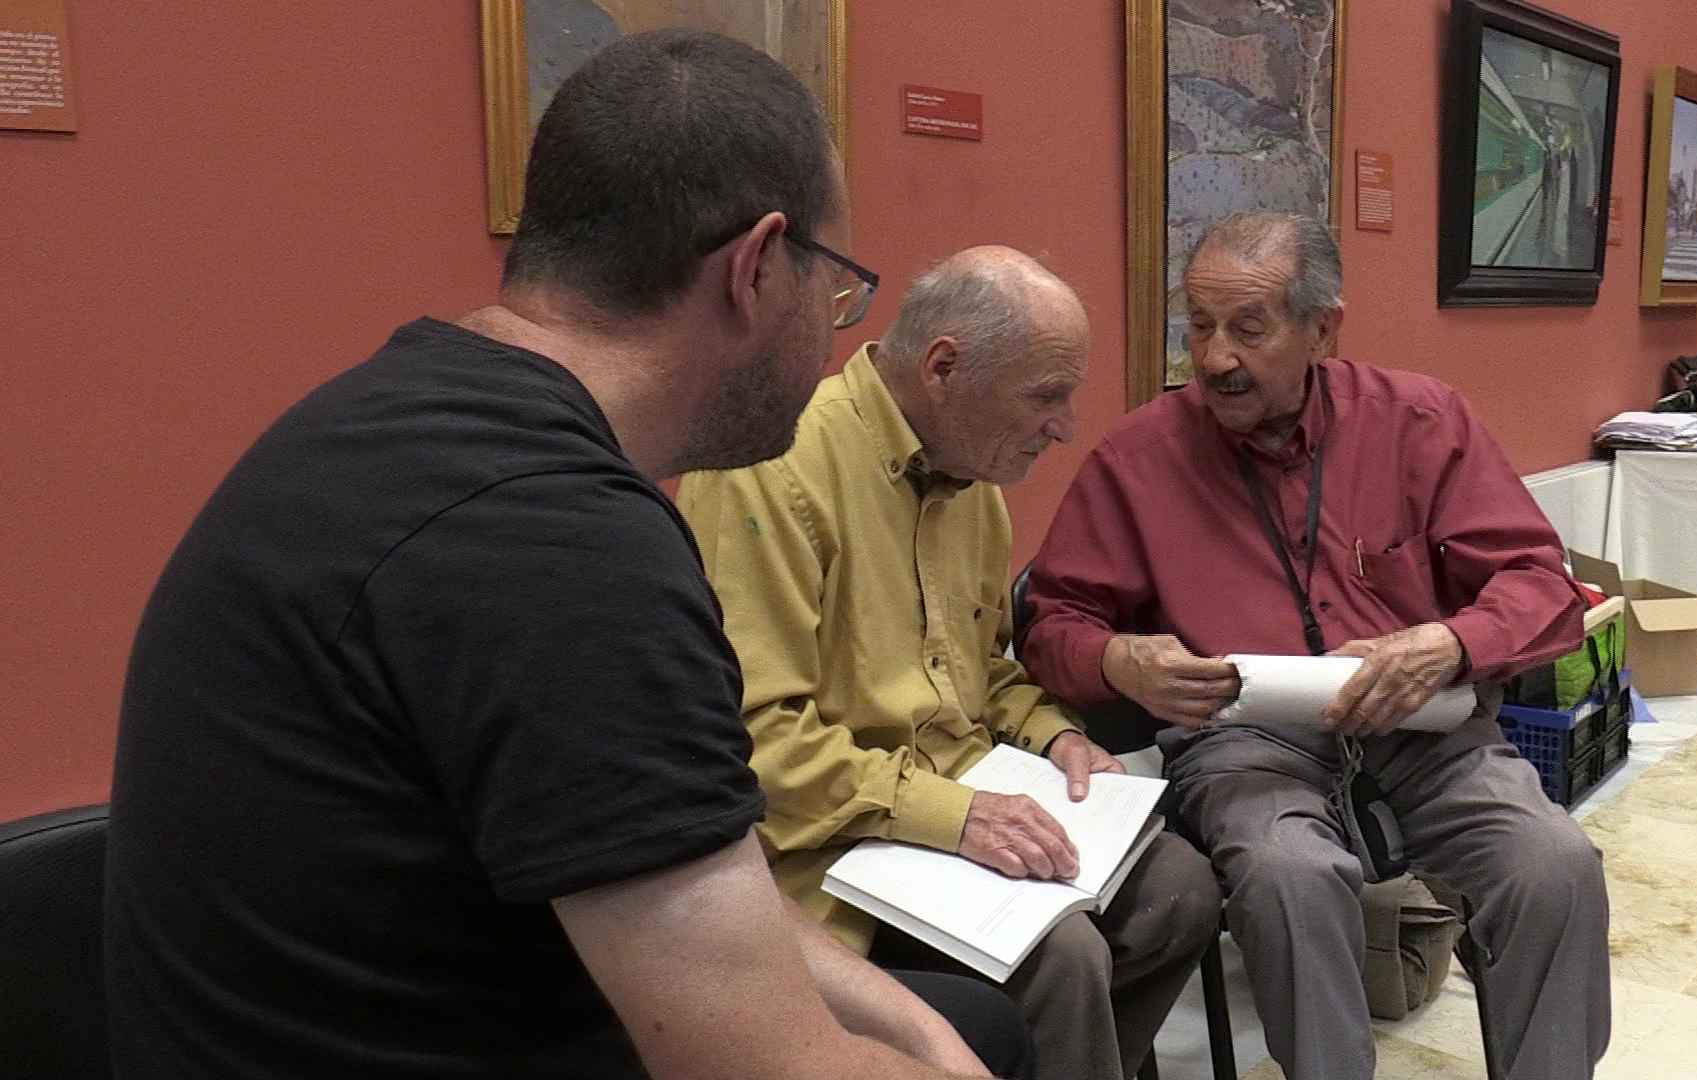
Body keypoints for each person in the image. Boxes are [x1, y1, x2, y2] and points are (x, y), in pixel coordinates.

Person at [104, 30, 1031, 1080]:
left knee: (962, 1022)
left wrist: (910, 1026)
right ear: (757, 268)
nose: (835, 332)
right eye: (837, 289)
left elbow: (676, 872)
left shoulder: (389, 415)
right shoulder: (563, 547)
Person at [1019, 211, 1611, 1080]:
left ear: (1323, 329)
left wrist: (1449, 643)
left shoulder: (1419, 420)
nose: (1215, 357)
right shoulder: (1138, 457)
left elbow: (1542, 586)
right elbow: (1051, 623)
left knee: (1554, 866)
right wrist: (1117, 661)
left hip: (1424, 728)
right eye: (1200, 325)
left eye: (1248, 329)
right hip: (1244, 745)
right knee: (1289, 875)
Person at [678, 247, 1222, 1080]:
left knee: (1181, 891)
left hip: (952, 802)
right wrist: (956, 817)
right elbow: (755, 741)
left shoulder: (974, 483)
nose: (1065, 426)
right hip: (827, 845)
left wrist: (1055, 736)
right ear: (943, 369)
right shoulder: (772, 472)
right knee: (1064, 957)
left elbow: (980, 672)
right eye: (1046, 395)